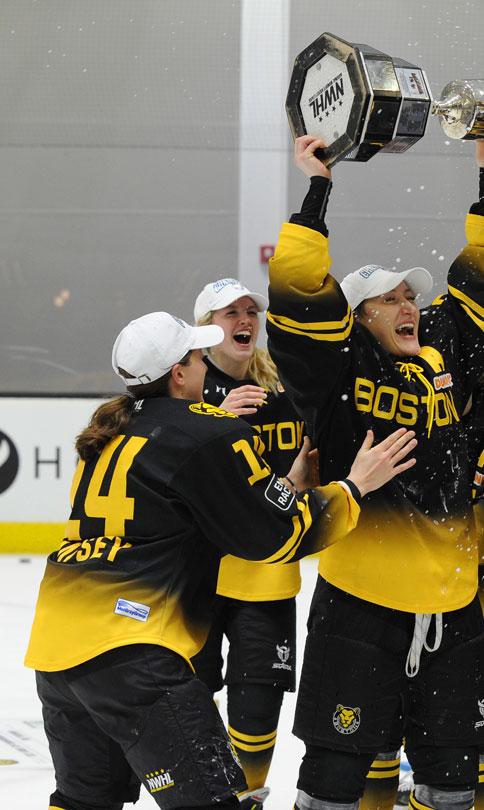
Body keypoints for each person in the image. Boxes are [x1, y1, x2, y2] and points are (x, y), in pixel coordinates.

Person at [24, 311, 417, 810]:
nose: (206, 366)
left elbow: (190, 518)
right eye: (196, 356)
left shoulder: (108, 435)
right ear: (179, 374)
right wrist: (355, 486)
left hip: (56, 651)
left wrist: (287, 487)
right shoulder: (206, 430)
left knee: (83, 801)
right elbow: (277, 539)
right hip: (131, 650)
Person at [265, 134, 484, 810]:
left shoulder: (442, 364)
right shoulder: (338, 370)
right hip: (360, 607)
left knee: (453, 781)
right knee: (336, 775)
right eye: (388, 299)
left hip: (452, 606)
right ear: (354, 318)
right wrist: (317, 193)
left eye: (411, 296)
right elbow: (297, 306)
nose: (408, 305)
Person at [361, 377, 484, 810]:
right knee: (374, 741)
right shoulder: (389, 405)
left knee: (479, 753)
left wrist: (427, 533)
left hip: (481, 616)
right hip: (391, 608)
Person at [188, 277, 306, 809]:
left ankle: (249, 800)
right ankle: (209, 796)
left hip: (267, 572)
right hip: (197, 575)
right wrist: (215, 421)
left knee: (258, 704)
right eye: (227, 312)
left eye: (249, 311)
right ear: (203, 327)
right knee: (190, 698)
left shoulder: (283, 388)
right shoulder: (183, 386)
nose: (243, 320)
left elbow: (299, 475)